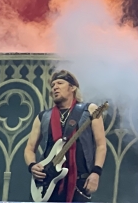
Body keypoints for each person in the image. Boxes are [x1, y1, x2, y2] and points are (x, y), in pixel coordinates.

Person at [24, 70, 107, 202]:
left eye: (60, 83)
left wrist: (96, 172)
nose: (55, 87)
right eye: (53, 85)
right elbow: (29, 148)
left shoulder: (89, 110)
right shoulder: (43, 117)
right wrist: (32, 165)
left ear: (72, 87)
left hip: (79, 183)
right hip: (46, 183)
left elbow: (101, 145)